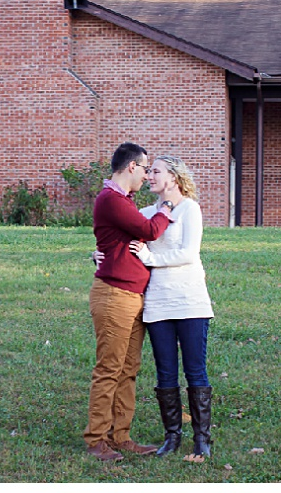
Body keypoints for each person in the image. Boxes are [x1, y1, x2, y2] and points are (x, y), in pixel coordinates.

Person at [84, 142, 173, 462]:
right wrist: (167, 209)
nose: (148, 174)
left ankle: (119, 435)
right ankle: (96, 439)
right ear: (132, 167)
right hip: (114, 296)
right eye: (145, 168)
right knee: (109, 369)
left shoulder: (124, 201)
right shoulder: (111, 199)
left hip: (133, 296)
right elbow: (148, 230)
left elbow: (115, 242)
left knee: (128, 369)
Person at [131, 155, 214, 459]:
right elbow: (122, 245)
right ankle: (172, 437)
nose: (149, 175)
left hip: (191, 301)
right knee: (165, 373)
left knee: (195, 371)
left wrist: (150, 258)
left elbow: (188, 253)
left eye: (156, 171)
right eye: (148, 170)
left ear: (174, 178)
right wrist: (99, 256)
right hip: (157, 302)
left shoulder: (190, 209)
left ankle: (202, 439)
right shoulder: (144, 213)